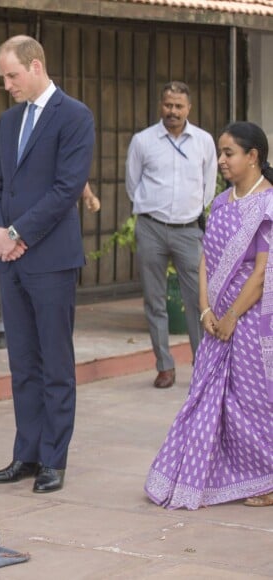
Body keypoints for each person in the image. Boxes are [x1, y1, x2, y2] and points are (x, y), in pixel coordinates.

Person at [0, 35, 95, 493]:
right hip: (11, 261)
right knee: (23, 362)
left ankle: (54, 458)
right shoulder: (9, 122)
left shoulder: (75, 116)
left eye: (11, 76)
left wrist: (17, 234)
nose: (6, 85)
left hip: (50, 260)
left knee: (54, 362)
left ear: (34, 66)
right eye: (3, 77)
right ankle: (25, 455)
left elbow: (66, 189)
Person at [145, 121, 273, 509]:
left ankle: (266, 478)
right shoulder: (220, 203)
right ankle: (229, 473)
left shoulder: (267, 205)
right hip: (216, 321)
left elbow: (262, 271)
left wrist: (232, 315)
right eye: (220, 152)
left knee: (251, 404)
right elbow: (204, 260)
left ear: (253, 157)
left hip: (252, 321)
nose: (220, 161)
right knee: (208, 402)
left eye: (228, 153)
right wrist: (203, 309)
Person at [126, 81, 217, 389]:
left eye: (179, 106)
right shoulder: (143, 141)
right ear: (160, 106)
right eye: (168, 105)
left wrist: (192, 213)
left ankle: (201, 367)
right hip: (151, 227)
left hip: (189, 231)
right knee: (154, 300)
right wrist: (150, 211)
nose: (173, 111)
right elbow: (132, 183)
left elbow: (209, 184)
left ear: (188, 109)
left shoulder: (204, 141)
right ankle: (164, 366)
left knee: (197, 300)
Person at [0, 183, 100, 350]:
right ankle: (4, 325)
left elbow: (70, 180)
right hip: (13, 241)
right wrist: (4, 234)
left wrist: (88, 195)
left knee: (54, 344)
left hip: (51, 244)